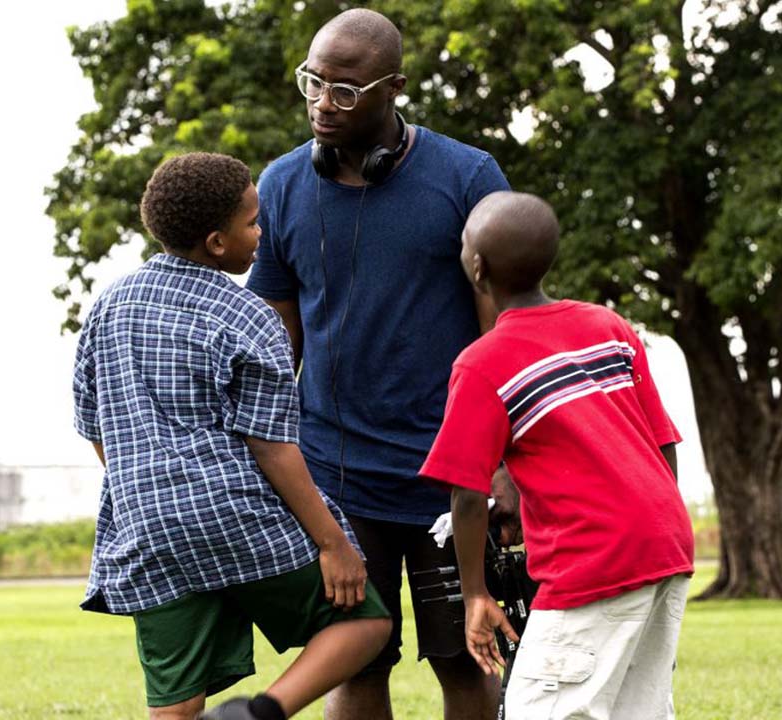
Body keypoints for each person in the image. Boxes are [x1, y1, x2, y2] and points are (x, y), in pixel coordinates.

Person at [244, 8, 512, 719]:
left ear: (394, 87)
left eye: (344, 91)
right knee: (355, 661)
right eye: (313, 83)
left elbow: (504, 331)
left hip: (450, 476)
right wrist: (271, 460)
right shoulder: (279, 187)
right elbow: (278, 341)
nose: (321, 104)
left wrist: (504, 463)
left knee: (466, 661)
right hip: (336, 483)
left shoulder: (469, 177)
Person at [72, 152, 392, 720]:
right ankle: (259, 714)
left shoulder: (108, 306)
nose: (262, 232)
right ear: (218, 243)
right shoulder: (248, 315)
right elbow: (272, 446)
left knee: (175, 703)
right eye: (252, 223)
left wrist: (153, 489)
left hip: (146, 527)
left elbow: (96, 429)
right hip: (237, 518)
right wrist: (333, 544)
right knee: (366, 622)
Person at [419, 192, 696, 719]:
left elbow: (469, 494)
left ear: (476, 267)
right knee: (637, 710)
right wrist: (658, 526)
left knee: (540, 710)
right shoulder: (607, 327)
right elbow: (663, 439)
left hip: (594, 557)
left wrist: (476, 593)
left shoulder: (484, 363)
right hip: (666, 545)